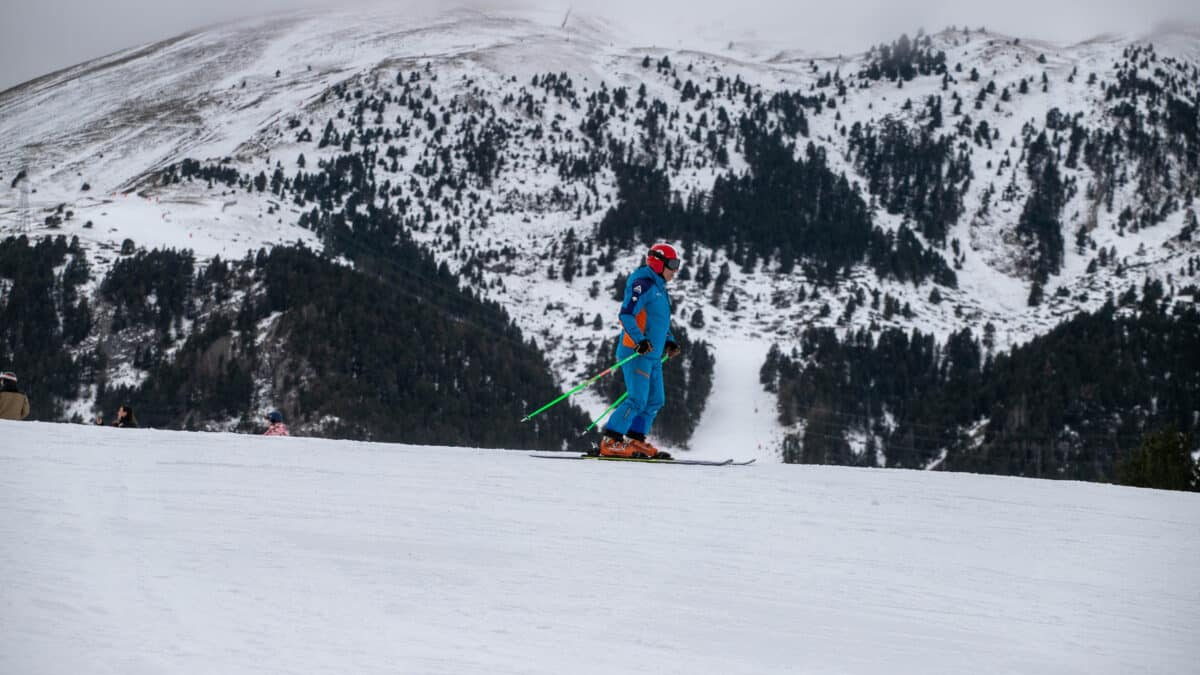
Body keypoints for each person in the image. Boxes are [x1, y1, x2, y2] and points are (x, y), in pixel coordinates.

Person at [598, 243, 683, 459]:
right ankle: (611, 441)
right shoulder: (642, 285)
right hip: (636, 352)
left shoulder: (660, 289)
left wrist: (669, 341)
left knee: (655, 400)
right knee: (637, 399)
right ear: (658, 262)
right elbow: (626, 315)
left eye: (677, 264)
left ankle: (634, 440)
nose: (675, 269)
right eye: (672, 264)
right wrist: (639, 340)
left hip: (653, 355)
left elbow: (658, 322)